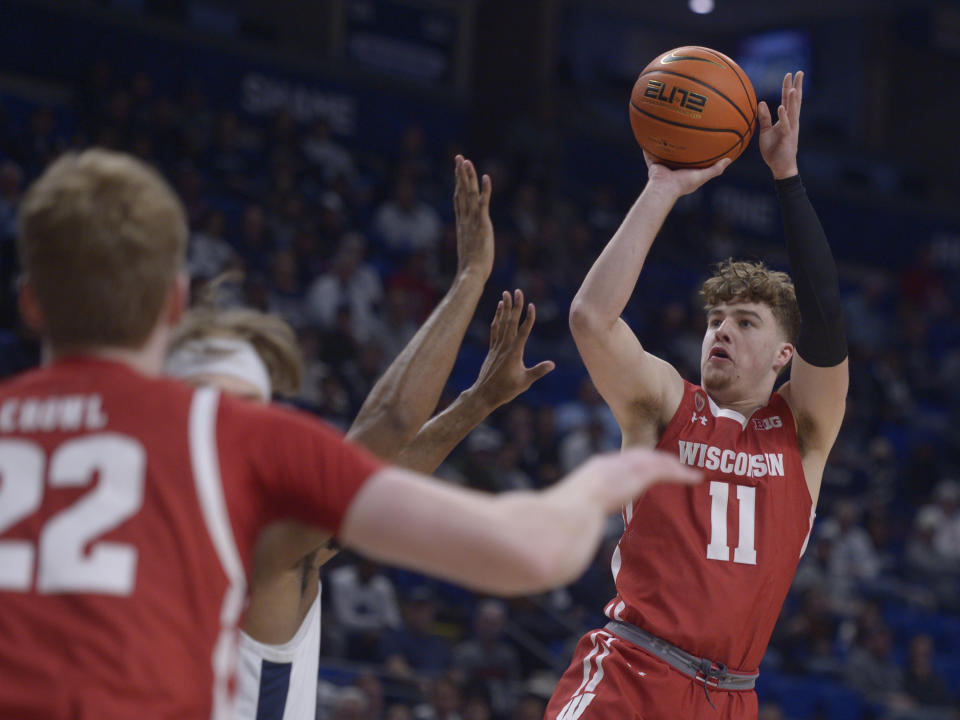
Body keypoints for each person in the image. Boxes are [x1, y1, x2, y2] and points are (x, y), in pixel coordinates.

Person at [0, 148, 699, 719]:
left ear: (28, 302)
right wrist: (602, 485)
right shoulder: (226, 447)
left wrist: (474, 404)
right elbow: (504, 529)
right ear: (173, 303)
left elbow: (366, 483)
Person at [166, 153, 561, 720]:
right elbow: (390, 425)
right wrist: (471, 275)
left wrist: (477, 402)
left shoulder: (182, 539)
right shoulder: (264, 549)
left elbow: (379, 484)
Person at [546, 71, 848, 720]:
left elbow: (825, 316)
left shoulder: (803, 432)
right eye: (716, 319)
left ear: (783, 355)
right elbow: (591, 319)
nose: (722, 331)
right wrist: (662, 188)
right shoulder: (665, 403)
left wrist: (787, 179)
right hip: (633, 674)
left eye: (745, 323)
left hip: (731, 698)